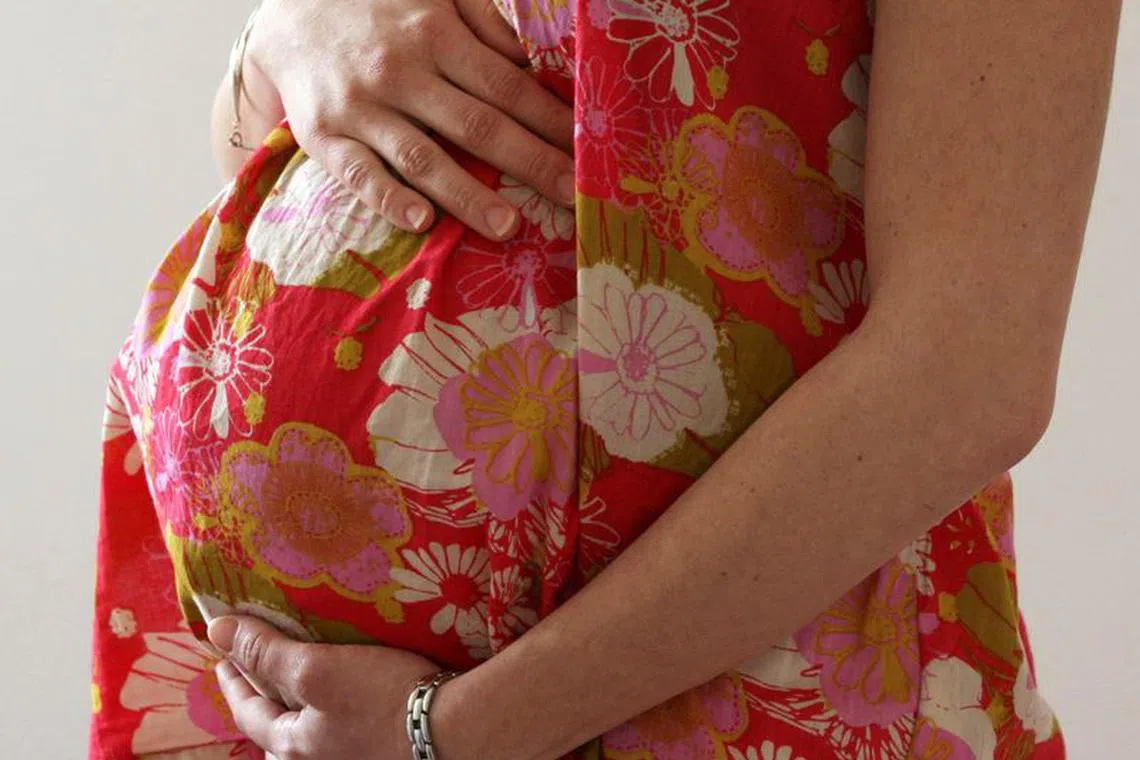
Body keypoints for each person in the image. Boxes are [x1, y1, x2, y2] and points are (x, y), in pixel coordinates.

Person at [89, 0, 1122, 757]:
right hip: (288, 705)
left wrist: (452, 735)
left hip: (731, 696)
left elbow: (964, 370)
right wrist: (279, 41)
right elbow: (264, 142)